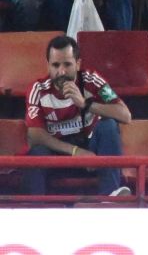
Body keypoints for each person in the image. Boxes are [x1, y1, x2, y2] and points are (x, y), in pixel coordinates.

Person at [22, 34, 131, 198]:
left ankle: (110, 196)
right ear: (48, 66)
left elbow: (125, 115)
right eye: (55, 65)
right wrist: (75, 151)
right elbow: (35, 135)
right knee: (37, 153)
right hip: (57, 154)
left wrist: (86, 104)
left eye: (67, 64)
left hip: (91, 155)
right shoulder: (37, 89)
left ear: (78, 64)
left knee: (108, 125)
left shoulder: (92, 80)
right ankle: (35, 207)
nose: (61, 71)